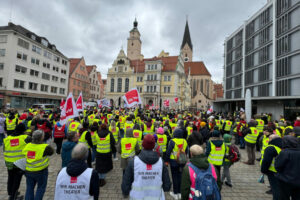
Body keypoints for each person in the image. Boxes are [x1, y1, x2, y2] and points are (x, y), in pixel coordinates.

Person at [121, 134, 171, 199]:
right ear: (153, 145)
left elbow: (126, 184)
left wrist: (125, 193)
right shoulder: (161, 162)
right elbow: (167, 186)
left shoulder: (133, 162)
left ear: (143, 145)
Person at [22, 130, 54, 200]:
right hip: (41, 172)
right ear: (42, 138)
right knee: (40, 188)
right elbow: (52, 152)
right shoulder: (45, 147)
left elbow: (24, 154)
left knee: (29, 188)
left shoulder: (27, 146)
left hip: (29, 171)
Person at [3, 123, 31, 200]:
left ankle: (10, 193)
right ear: (23, 130)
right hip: (19, 163)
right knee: (17, 180)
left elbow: (4, 150)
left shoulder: (7, 139)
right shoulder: (26, 138)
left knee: (10, 177)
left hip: (9, 162)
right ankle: (13, 197)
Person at [165, 128, 188, 199]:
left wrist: (167, 160)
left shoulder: (172, 141)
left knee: (174, 177)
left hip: (173, 162)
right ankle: (180, 193)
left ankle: (175, 193)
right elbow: (186, 151)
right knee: (181, 176)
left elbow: (168, 152)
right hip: (182, 161)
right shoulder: (185, 141)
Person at [275, 135, 300, 200]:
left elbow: (278, 166)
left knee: (284, 197)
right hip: (298, 181)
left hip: (285, 180)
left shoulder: (285, 153)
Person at [260, 134, 282, 199]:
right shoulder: (281, 145)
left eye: (270, 138)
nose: (268, 140)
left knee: (275, 189)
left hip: (272, 171)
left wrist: (263, 170)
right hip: (281, 171)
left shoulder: (271, 147)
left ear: (272, 139)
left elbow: (266, 161)